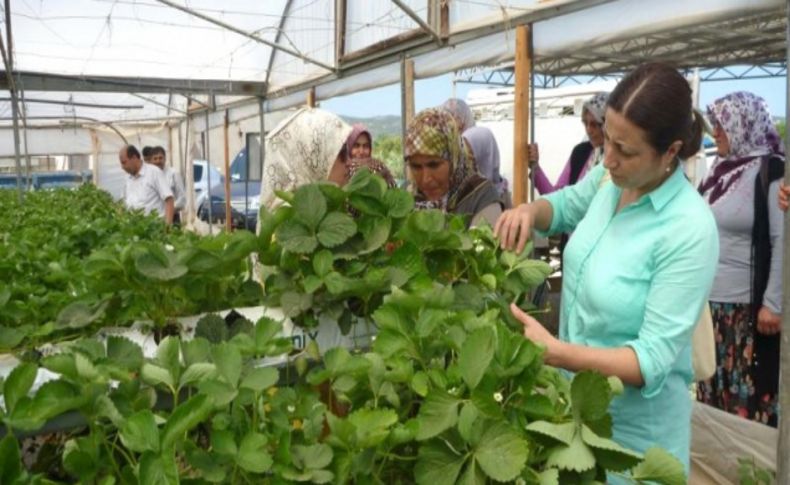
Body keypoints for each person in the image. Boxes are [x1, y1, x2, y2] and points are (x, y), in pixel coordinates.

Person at [494, 63, 718, 476]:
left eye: (626, 151)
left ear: (671, 151)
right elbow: (562, 206)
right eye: (608, 140)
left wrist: (558, 353)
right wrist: (528, 211)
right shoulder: (609, 179)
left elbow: (648, 360)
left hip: (633, 445)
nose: (609, 159)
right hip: (574, 417)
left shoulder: (689, 228)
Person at [696, 91, 784, 427]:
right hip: (709, 307)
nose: (716, 131)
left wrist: (773, 304)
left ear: (744, 124)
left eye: (723, 123)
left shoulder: (772, 170)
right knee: (711, 396)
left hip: (745, 311)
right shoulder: (719, 171)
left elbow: (781, 240)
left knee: (744, 400)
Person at [404, 108, 505, 227]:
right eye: (416, 167)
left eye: (434, 165)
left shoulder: (480, 196)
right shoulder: (409, 196)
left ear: (454, 159)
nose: (425, 179)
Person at [259, 108, 353, 211]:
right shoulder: (292, 220)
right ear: (311, 159)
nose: (349, 161)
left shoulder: (321, 209)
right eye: (341, 152)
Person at [529, 92, 609, 194]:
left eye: (594, 124)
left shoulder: (617, 160)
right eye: (585, 123)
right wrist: (536, 168)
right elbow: (556, 196)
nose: (589, 130)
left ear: (607, 124)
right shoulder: (580, 153)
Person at [119, 145, 174, 225]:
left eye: (124, 162)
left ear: (134, 158)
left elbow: (169, 199)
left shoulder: (154, 172)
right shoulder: (127, 178)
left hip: (154, 229)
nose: (122, 167)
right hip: (133, 228)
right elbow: (123, 202)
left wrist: (168, 227)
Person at [463, 125, 513, 208]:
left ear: (484, 155)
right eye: (461, 148)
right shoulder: (458, 189)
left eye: (470, 152)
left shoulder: (496, 198)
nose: (464, 158)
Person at [149, 146, 185, 223]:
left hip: (172, 218)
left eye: (160, 158)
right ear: (151, 161)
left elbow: (182, 200)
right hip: (153, 220)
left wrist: (167, 211)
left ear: (165, 159)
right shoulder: (148, 177)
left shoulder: (173, 174)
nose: (158, 161)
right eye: (155, 158)